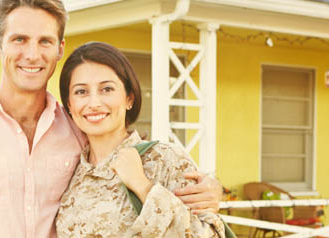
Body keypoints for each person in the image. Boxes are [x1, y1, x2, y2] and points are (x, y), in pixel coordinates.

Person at [0, 0, 222, 237]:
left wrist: (211, 188)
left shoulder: (76, 132)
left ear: (59, 48)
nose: (32, 54)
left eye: (44, 41)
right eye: (19, 39)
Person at [54, 42, 225, 237]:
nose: (94, 103)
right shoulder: (71, 172)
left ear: (129, 98)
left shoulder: (164, 160)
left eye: (107, 89)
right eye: (81, 92)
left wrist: (144, 187)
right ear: (69, 104)